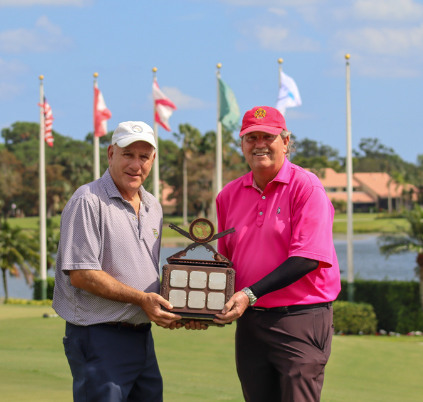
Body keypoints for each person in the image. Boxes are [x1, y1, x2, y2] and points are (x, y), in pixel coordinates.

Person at [52, 121, 199, 402]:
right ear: (110, 154)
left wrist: (180, 310)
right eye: (128, 154)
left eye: (144, 157)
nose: (136, 164)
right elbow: (82, 274)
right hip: (98, 338)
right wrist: (143, 300)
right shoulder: (88, 200)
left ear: (153, 160)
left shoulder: (153, 205)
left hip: (142, 337)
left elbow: (146, 273)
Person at [214, 106, 341, 402]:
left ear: (285, 141)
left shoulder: (306, 188)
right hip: (251, 322)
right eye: (251, 137)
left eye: (267, 136)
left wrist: (248, 294)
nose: (259, 144)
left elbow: (307, 257)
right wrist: (196, 310)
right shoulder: (228, 195)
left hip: (300, 318)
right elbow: (227, 266)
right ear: (242, 143)